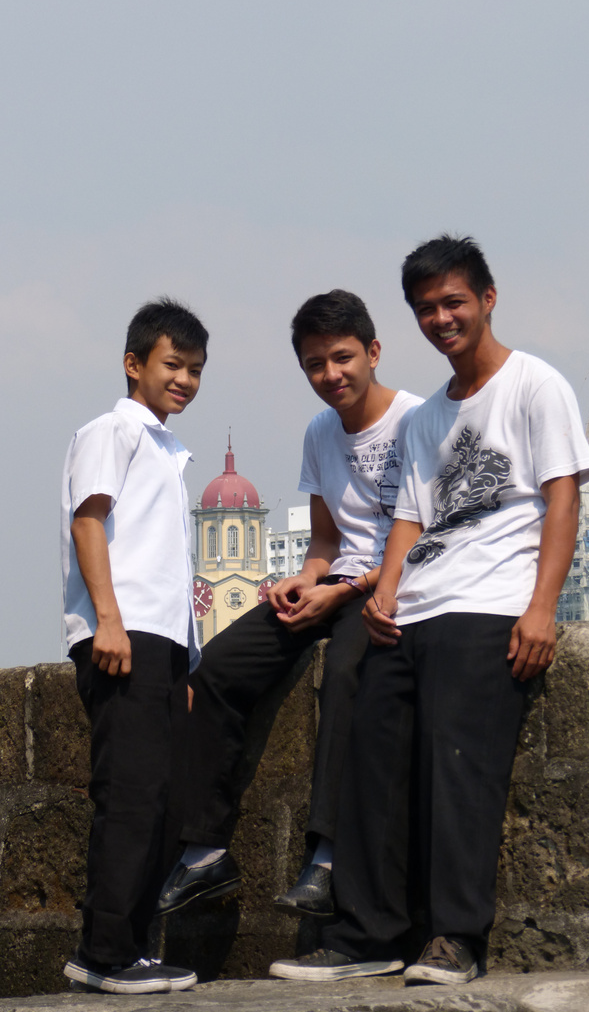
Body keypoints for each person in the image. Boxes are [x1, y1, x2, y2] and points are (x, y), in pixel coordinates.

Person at [270, 235, 589, 984]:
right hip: (414, 607)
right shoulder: (425, 419)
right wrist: (383, 594)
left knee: (459, 765)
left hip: (488, 607)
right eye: (427, 309)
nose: (442, 318)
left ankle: (455, 938)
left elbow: (562, 498)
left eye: (453, 302)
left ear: (486, 299)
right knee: (371, 762)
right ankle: (368, 935)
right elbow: (410, 521)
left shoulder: (533, 385)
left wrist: (541, 609)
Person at [156, 289, 423, 919]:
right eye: (314, 365)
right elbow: (328, 540)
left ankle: (328, 858)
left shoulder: (418, 421)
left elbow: (424, 534)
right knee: (213, 672)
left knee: (348, 678)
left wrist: (344, 592)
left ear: (373, 352)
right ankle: (204, 854)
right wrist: (305, 579)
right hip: (339, 584)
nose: (330, 376)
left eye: (341, 358)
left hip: (394, 589)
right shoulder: (320, 433)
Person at [60, 299, 208, 995]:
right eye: (172, 365)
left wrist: (183, 658)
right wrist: (108, 621)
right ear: (134, 364)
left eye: (195, 370)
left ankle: (135, 946)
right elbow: (89, 524)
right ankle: (103, 952)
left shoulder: (164, 451)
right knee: (129, 796)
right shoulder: (110, 432)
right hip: (122, 637)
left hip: (161, 644)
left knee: (164, 801)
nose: (184, 379)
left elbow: (163, 561)